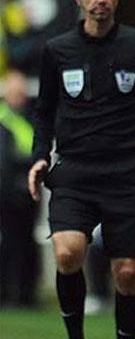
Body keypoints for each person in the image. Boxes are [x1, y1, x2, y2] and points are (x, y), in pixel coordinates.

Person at [28, 0, 135, 339]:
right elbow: (43, 111)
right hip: (75, 171)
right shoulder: (57, 50)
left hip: (127, 173)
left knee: (126, 273)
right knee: (67, 252)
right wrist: (40, 155)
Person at [0, 70, 39, 307]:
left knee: (25, 244)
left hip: (26, 191)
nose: (20, 96)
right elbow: (6, 159)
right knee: (10, 244)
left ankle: (25, 294)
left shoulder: (27, 118)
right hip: (9, 192)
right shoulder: (5, 119)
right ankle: (8, 293)